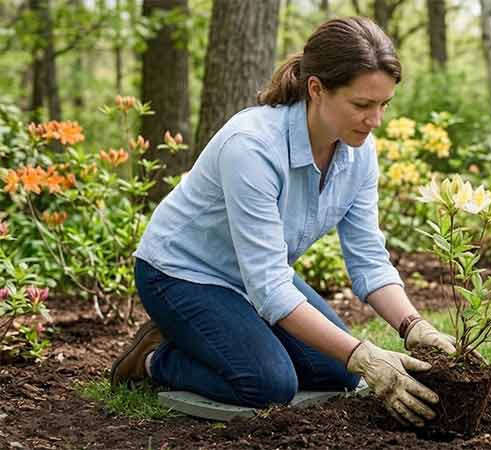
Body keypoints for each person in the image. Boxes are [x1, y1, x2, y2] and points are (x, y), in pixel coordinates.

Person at [109, 16, 459, 428]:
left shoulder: (358, 152)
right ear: (317, 89)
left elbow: (368, 259)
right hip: (179, 274)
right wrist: (363, 353)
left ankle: (224, 336)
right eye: (362, 105)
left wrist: (412, 324)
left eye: (384, 105)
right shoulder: (253, 147)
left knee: (341, 373)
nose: (375, 120)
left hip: (252, 275)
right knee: (268, 383)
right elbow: (271, 286)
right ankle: (153, 358)